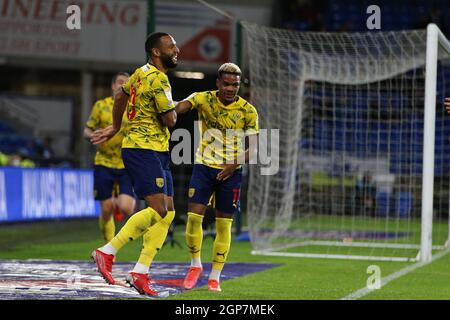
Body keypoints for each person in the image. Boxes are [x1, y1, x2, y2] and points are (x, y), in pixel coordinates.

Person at [89, 32, 179, 297]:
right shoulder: (159, 78)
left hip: (155, 150)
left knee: (169, 212)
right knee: (159, 210)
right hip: (143, 149)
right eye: (171, 47)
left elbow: (119, 97)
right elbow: (171, 120)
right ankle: (107, 252)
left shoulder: (138, 73)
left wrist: (116, 126)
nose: (176, 50)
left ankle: (140, 272)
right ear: (155, 52)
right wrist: (183, 105)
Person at [175, 62, 259, 292]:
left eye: (235, 85)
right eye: (227, 84)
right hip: (203, 167)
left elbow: (254, 149)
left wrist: (233, 165)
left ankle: (215, 276)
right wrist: (169, 105)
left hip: (231, 172)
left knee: (224, 226)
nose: (231, 89)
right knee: (193, 218)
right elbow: (180, 107)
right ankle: (195, 265)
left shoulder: (248, 111)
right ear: (218, 83)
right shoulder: (203, 99)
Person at [84, 72, 136, 243]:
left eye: (127, 83)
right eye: (120, 82)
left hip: (125, 162)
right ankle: (108, 250)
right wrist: (93, 136)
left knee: (127, 207)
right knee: (106, 210)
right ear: (113, 86)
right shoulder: (101, 106)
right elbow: (87, 128)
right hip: (104, 161)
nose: (123, 85)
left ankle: (117, 204)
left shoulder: (133, 108)